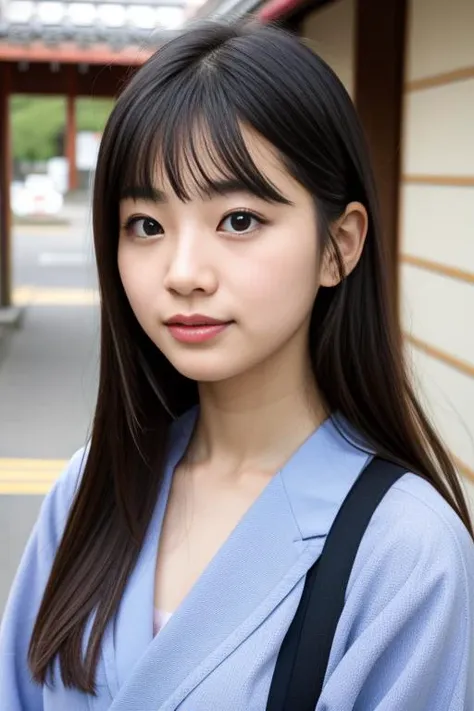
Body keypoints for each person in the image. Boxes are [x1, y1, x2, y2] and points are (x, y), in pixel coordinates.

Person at [1, 20, 473, 711]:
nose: (184, 272)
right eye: (147, 225)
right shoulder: (87, 491)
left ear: (338, 246)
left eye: (240, 220)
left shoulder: (406, 553)